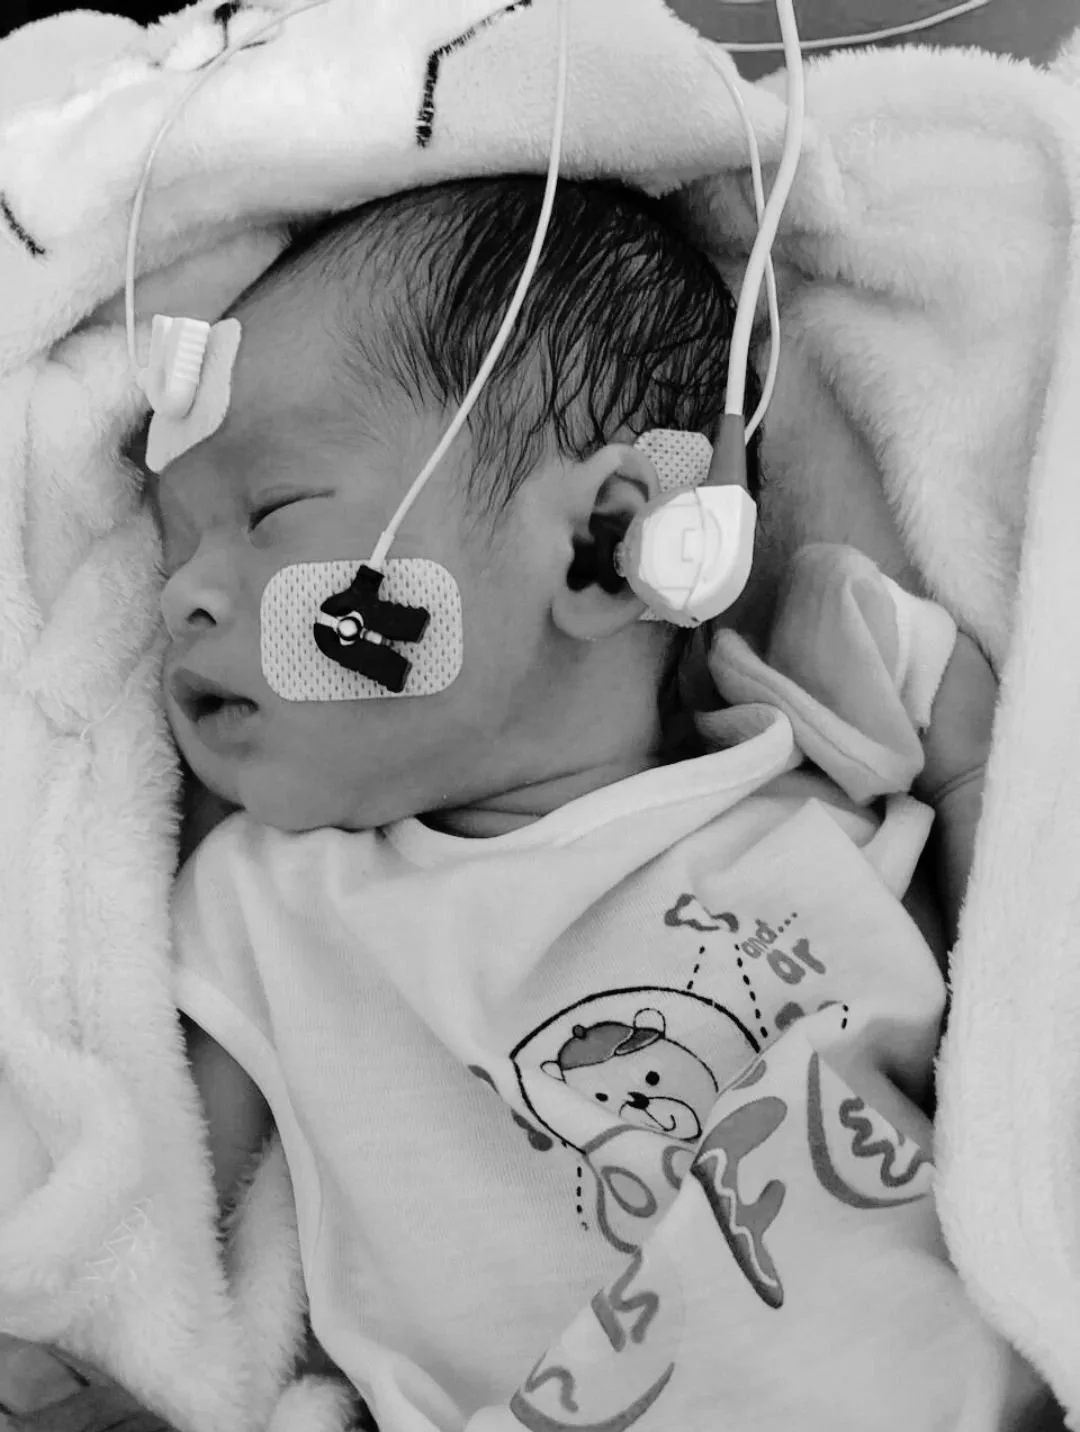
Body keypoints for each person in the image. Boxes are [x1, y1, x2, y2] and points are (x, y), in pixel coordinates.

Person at [2, 176, 1046, 1430]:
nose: (184, 599)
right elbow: (162, 1236)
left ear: (603, 543)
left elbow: (1037, 957)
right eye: (177, 551)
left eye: (272, 515)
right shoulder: (266, 909)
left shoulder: (828, 724)